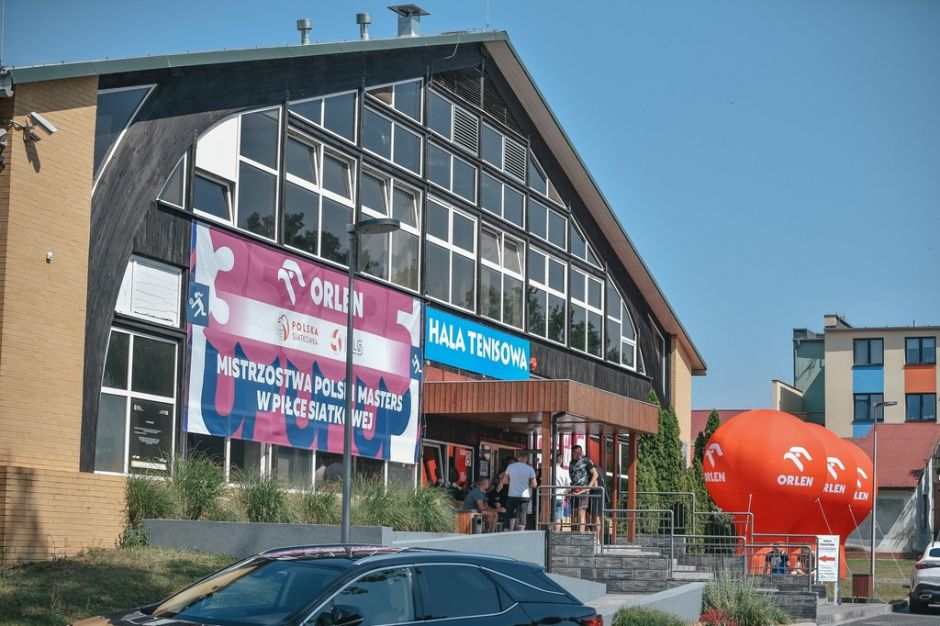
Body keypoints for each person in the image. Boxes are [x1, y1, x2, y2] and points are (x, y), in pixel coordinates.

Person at [567, 444, 600, 538]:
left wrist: (589, 487)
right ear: (573, 453)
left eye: (580, 452)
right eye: (576, 452)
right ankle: (573, 535)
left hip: (583, 491)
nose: (578, 454)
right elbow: (571, 476)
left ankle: (580, 536)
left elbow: (595, 474)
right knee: (574, 514)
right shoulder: (571, 463)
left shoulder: (586, 461)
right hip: (574, 491)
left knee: (582, 513)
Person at [499, 454, 537, 531]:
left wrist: (513, 482)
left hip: (512, 495)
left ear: (518, 458)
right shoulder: (530, 469)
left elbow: (505, 481)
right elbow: (534, 485)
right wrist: (527, 484)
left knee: (508, 514)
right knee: (522, 514)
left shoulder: (510, 467)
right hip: (525, 496)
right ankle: (520, 534)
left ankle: (506, 532)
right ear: (526, 458)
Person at [553, 452, 571, 532]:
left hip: (548, 497)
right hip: (560, 497)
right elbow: (568, 487)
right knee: (558, 517)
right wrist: (565, 494)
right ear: (561, 460)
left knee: (547, 516)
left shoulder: (548, 470)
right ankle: (556, 534)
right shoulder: (564, 472)